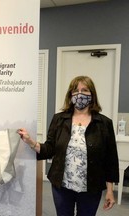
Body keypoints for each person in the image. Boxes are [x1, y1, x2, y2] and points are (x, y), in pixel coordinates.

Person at [18, 76, 119, 216]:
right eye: (75, 90)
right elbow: (49, 150)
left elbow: (110, 159)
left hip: (91, 187)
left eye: (85, 90)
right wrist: (30, 141)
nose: (80, 94)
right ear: (70, 95)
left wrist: (109, 190)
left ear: (92, 94)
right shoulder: (59, 119)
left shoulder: (104, 123)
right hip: (62, 186)